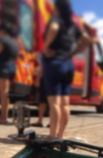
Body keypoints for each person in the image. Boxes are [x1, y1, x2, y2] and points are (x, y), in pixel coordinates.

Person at [38, 0, 90, 138]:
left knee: (54, 103)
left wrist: (46, 47)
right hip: (68, 65)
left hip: (54, 63)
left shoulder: (56, 20)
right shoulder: (72, 25)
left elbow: (54, 28)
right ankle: (60, 136)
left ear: (57, 8)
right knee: (65, 103)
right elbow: (86, 41)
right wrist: (72, 54)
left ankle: (52, 135)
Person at [0, 23, 19, 124]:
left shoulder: (1, 41)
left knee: (3, 94)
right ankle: (4, 116)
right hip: (12, 68)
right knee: (5, 93)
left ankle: (3, 117)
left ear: (2, 31)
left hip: (2, 68)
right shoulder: (14, 41)